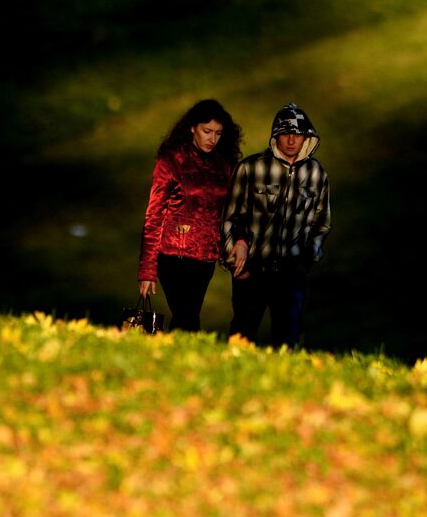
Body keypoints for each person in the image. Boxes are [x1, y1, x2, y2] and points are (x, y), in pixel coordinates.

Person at [221, 102, 331, 347]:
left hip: (291, 273)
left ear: (306, 138)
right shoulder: (250, 168)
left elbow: (321, 222)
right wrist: (235, 263)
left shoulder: (316, 173)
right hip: (253, 270)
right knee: (241, 337)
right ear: (275, 136)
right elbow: (230, 216)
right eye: (285, 134)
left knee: (288, 339)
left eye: (297, 134)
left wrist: (305, 260)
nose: (292, 140)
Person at [136, 99, 243, 332]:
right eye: (207, 131)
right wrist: (147, 269)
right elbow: (154, 215)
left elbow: (228, 213)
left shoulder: (223, 166)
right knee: (187, 317)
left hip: (205, 258)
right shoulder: (171, 161)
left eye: (218, 133)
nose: (212, 139)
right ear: (193, 127)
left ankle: (173, 358)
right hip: (173, 255)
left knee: (188, 317)